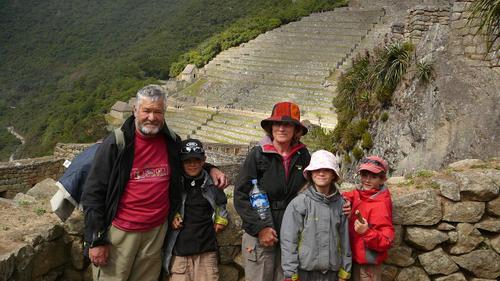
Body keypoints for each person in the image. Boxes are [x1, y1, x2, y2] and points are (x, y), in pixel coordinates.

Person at [81, 85, 228, 281]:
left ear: (164, 113)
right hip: (120, 233)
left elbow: (189, 162)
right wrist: (96, 239)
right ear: (135, 111)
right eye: (147, 110)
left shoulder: (171, 141)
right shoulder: (117, 143)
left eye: (157, 111)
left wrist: (210, 168)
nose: (152, 117)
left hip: (156, 233)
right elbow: (93, 192)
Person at [234, 101, 311, 281]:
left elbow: (319, 183)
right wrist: (261, 229)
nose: (281, 128)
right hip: (260, 232)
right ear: (271, 127)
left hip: (290, 233)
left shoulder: (303, 156)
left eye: (287, 124)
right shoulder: (258, 154)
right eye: (277, 123)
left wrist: (340, 200)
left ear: (295, 129)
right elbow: (241, 195)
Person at [163, 138, 228, 281]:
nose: (193, 165)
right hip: (179, 253)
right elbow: (162, 202)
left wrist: (221, 218)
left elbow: (221, 202)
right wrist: (171, 215)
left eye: (197, 160)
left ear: (204, 160)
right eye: (187, 161)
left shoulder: (211, 183)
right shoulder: (174, 184)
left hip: (206, 251)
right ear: (181, 162)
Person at [281, 150, 351, 281]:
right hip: (304, 273)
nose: (321, 173)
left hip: (332, 273)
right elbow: (289, 240)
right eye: (317, 169)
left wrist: (345, 270)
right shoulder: (299, 203)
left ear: (334, 175)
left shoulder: (341, 204)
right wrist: (290, 273)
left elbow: (345, 239)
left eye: (326, 170)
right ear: (311, 173)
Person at [342, 156, 394, 281]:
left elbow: (387, 239)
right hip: (355, 258)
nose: (367, 180)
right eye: (364, 175)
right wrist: (346, 201)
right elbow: (348, 195)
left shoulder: (381, 204)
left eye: (373, 176)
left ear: (382, 180)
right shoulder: (360, 194)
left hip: (369, 265)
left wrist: (366, 232)